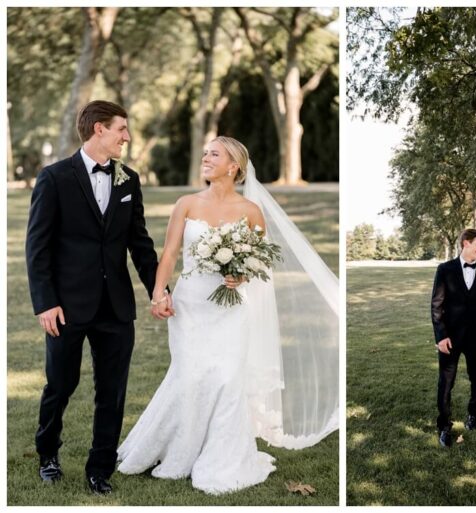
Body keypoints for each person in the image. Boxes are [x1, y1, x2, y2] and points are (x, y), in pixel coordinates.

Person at [117, 136, 339, 494]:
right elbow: (170, 254)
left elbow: (260, 260)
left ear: (233, 166)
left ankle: (222, 458)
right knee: (190, 376)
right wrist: (159, 293)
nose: (205, 158)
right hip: (191, 305)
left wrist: (242, 274)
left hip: (233, 309)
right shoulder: (186, 203)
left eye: (213, 154)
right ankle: (179, 451)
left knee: (226, 379)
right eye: (204, 153)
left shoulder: (251, 211)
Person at [26, 100, 166, 495]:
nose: (127, 136)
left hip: (116, 307)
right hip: (66, 307)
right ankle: (48, 454)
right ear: (98, 129)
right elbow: (37, 248)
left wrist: (159, 289)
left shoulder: (129, 179)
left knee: (112, 390)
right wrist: (45, 302)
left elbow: (139, 243)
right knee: (60, 385)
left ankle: (100, 466)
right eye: (122, 128)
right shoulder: (54, 178)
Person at [430, 229, 476, 448]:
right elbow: (436, 306)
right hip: (450, 338)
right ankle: (444, 425)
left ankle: (474, 414)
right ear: (465, 244)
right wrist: (441, 337)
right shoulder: (445, 269)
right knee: (446, 382)